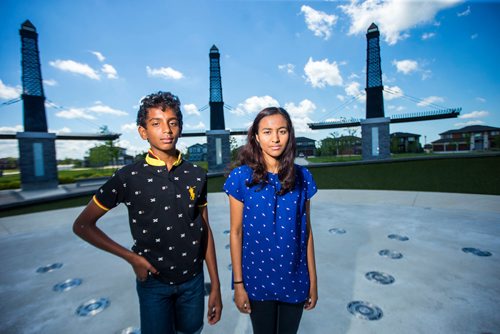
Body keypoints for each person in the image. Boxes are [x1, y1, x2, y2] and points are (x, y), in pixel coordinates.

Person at [73, 91, 222, 334]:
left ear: (180, 127)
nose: (167, 130)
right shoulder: (128, 177)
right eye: (156, 123)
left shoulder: (196, 174)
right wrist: (132, 258)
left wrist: (215, 283)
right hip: (153, 283)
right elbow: (82, 225)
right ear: (143, 132)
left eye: (173, 123)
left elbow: (204, 230)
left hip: (193, 282)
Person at [223, 107, 318, 334]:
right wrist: (238, 284)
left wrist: (313, 281)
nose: (275, 138)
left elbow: (306, 232)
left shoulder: (303, 178)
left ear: (290, 134)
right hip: (257, 278)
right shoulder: (240, 178)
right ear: (256, 136)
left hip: (294, 278)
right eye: (267, 131)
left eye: (282, 131)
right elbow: (235, 233)